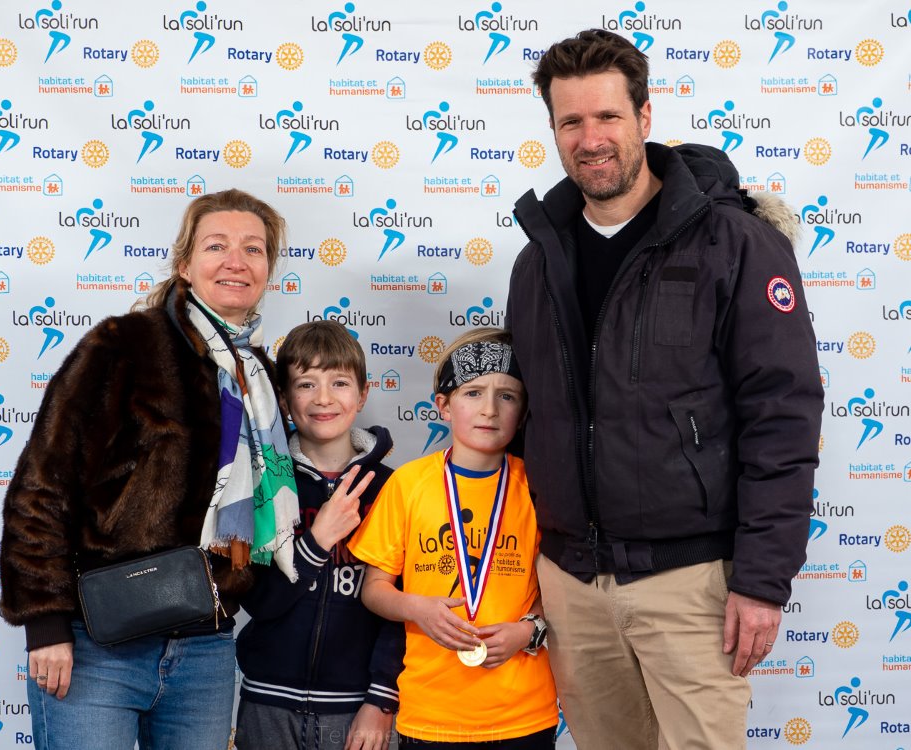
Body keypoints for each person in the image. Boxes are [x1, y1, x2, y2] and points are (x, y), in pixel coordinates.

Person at [506, 29, 824, 750]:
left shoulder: (733, 243)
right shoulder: (538, 261)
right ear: (552, 129)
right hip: (572, 584)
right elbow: (534, 419)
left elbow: (782, 416)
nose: (591, 139)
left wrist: (762, 580)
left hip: (692, 583)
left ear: (645, 117)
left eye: (608, 116)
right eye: (571, 121)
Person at [0, 188, 301, 750]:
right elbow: (43, 485)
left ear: (268, 268)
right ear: (185, 264)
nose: (236, 261)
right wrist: (45, 623)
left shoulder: (258, 376)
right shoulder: (125, 347)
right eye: (217, 246)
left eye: (253, 249)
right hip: (98, 643)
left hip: (206, 647)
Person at [349, 328, 558, 749]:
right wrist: (417, 608)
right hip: (431, 713)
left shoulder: (540, 488)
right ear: (443, 406)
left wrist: (527, 631)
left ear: (523, 411)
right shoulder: (408, 484)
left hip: (524, 714)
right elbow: (374, 589)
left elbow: (561, 589)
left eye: (507, 396)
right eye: (473, 393)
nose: (489, 410)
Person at [234, 320, 402, 750]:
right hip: (268, 701)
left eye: (339, 383)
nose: (323, 398)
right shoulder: (264, 483)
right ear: (285, 401)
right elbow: (257, 600)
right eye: (306, 384)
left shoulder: (393, 488)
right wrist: (315, 543)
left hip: (358, 706)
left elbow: (402, 606)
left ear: (362, 395)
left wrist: (382, 698)